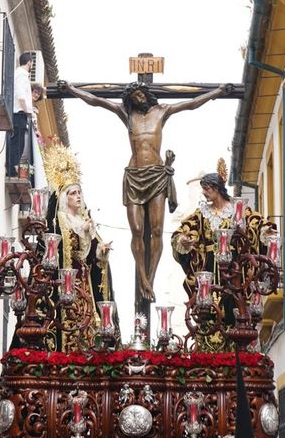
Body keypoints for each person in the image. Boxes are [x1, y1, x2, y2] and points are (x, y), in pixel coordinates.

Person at [59, 80, 231, 303]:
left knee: (157, 230)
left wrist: (216, 92)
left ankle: (151, 277)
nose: (137, 99)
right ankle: (142, 277)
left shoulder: (162, 111)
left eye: (140, 95)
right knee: (137, 230)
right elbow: (98, 101)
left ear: (147, 94)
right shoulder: (127, 114)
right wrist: (71, 90)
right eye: (133, 97)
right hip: (134, 175)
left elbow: (191, 103)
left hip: (157, 176)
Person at [171, 159, 275, 352]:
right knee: (208, 307)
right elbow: (183, 230)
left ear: (216, 188)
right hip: (209, 268)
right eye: (202, 189)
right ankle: (210, 333)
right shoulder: (202, 213)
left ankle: (238, 326)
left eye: (207, 189)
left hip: (236, 268)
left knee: (236, 301)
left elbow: (255, 222)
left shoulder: (238, 210)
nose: (204, 193)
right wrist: (183, 241)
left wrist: (265, 231)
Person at [44, 182, 115, 351]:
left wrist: (101, 251)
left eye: (79, 192)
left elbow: (91, 257)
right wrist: (79, 231)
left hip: (85, 282)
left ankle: (89, 350)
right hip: (68, 281)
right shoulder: (61, 219)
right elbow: (59, 246)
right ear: (64, 198)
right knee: (71, 316)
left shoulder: (85, 221)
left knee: (88, 317)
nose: (78, 196)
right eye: (73, 193)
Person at [9, 52, 36, 176]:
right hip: (19, 113)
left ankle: (12, 169)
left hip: (18, 112)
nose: (32, 65)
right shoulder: (22, 75)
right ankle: (11, 171)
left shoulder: (19, 74)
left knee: (18, 143)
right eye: (32, 63)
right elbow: (21, 96)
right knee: (18, 144)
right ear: (29, 62)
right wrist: (28, 110)